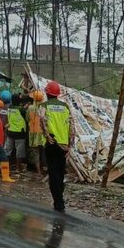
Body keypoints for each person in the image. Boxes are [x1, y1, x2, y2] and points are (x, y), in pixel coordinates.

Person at [41, 81, 75, 212]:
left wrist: (47, 137)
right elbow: (72, 126)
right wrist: (70, 145)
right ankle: (59, 199)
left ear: (47, 93)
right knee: (60, 173)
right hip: (64, 145)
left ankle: (58, 202)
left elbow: (43, 122)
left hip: (52, 144)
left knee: (53, 173)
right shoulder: (65, 107)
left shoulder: (44, 106)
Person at [4, 93, 28, 176]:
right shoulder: (21, 109)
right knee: (19, 151)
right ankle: (18, 168)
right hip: (20, 133)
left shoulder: (9, 108)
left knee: (8, 150)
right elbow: (26, 116)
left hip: (10, 132)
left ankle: (6, 167)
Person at [27, 90, 46, 176]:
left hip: (33, 133)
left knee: (35, 153)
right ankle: (44, 169)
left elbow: (27, 119)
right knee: (43, 151)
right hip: (42, 134)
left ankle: (38, 171)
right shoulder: (44, 108)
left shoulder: (30, 108)